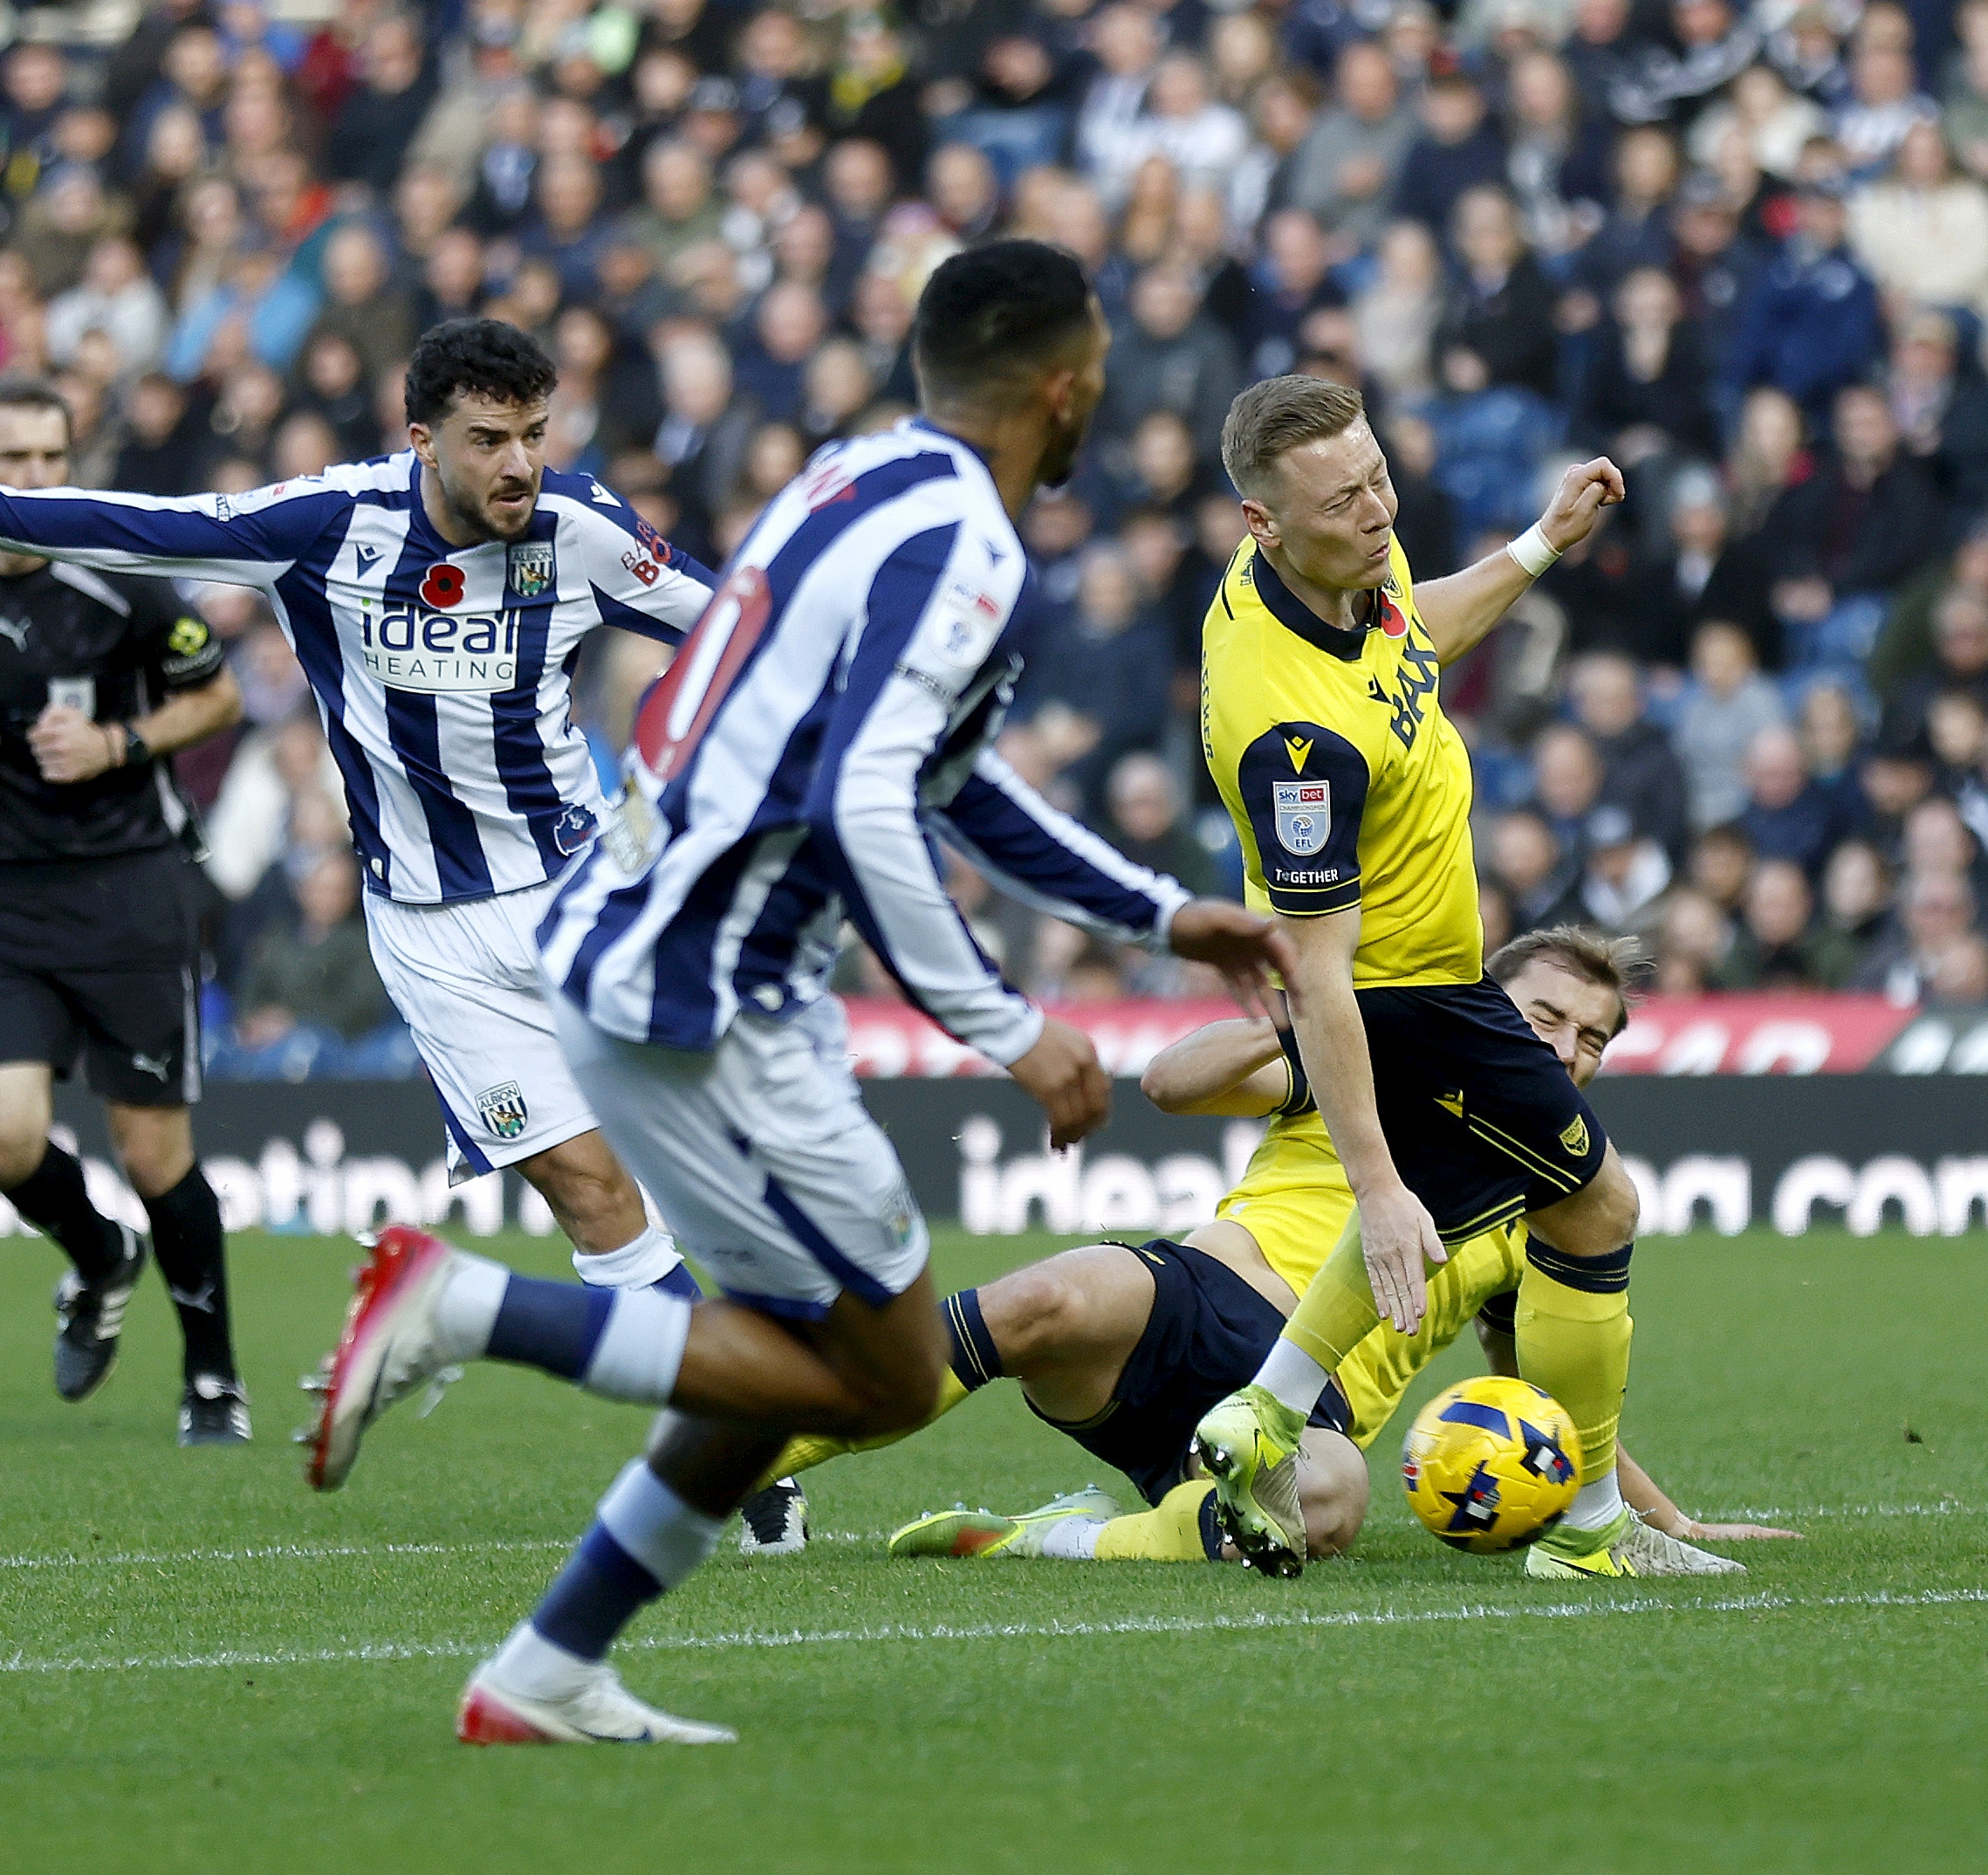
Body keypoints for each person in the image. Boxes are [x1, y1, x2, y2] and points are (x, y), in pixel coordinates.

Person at [301, 243, 1297, 1745]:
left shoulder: (855, 474)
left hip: (631, 944)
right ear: (1064, 383)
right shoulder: (965, 548)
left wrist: (1154, 910)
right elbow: (866, 801)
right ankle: (459, 1305)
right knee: (885, 1376)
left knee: (785, 1369)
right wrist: (1007, 1025)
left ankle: (546, 1669)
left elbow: (942, 780)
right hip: (713, 993)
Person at [0, 324, 728, 1381]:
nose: (520, 464)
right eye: (489, 439)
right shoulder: (330, 526)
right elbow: (136, 524)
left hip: (585, 894)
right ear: (423, 439)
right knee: (590, 1193)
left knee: (707, 1163)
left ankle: (662, 1362)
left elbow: (740, 628)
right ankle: (755, 1452)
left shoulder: (580, 528)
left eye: (535, 433)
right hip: (433, 930)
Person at [1184, 372, 1728, 1583]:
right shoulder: (1297, 742)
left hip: (1430, 976)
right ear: (1260, 523)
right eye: (1343, 499)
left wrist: (1537, 544)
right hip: (1405, 990)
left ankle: (1261, 1407)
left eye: (1378, 476)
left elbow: (1408, 631)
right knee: (1598, 1206)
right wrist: (1369, 1182)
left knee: (1484, 1195)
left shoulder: (1323, 571)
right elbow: (1318, 978)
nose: (1377, 511)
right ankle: (1588, 1533)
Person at [763, 931, 1786, 1565]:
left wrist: (1668, 1522)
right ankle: (751, 1460)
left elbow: (1557, 1404)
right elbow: (1169, 1079)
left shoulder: (1556, 1210)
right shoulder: (1371, 1060)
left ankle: (1050, 1537)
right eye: (1546, 1016)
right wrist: (1304, 1014)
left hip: (1305, 1410)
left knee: (1334, 1505)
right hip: (1200, 1294)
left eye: (1593, 1037)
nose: (1566, 1050)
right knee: (1046, 1301)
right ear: (1484, 1008)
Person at [0, 375, 250, 1443]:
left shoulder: (123, 582)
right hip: (4, 895)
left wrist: (121, 744)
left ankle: (212, 1375)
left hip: (132, 890)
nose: (36, 479)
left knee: (154, 1151)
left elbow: (220, 696)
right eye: (15, 460)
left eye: (53, 459)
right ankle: (97, 1254)